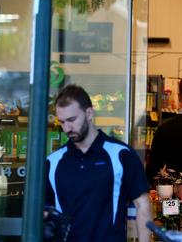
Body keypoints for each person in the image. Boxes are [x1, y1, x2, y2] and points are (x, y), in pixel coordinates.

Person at [45, 84, 151, 242]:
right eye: (62, 122)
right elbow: (43, 212)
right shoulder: (53, 162)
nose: (67, 128)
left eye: (72, 120)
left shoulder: (121, 155)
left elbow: (142, 205)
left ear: (89, 113)